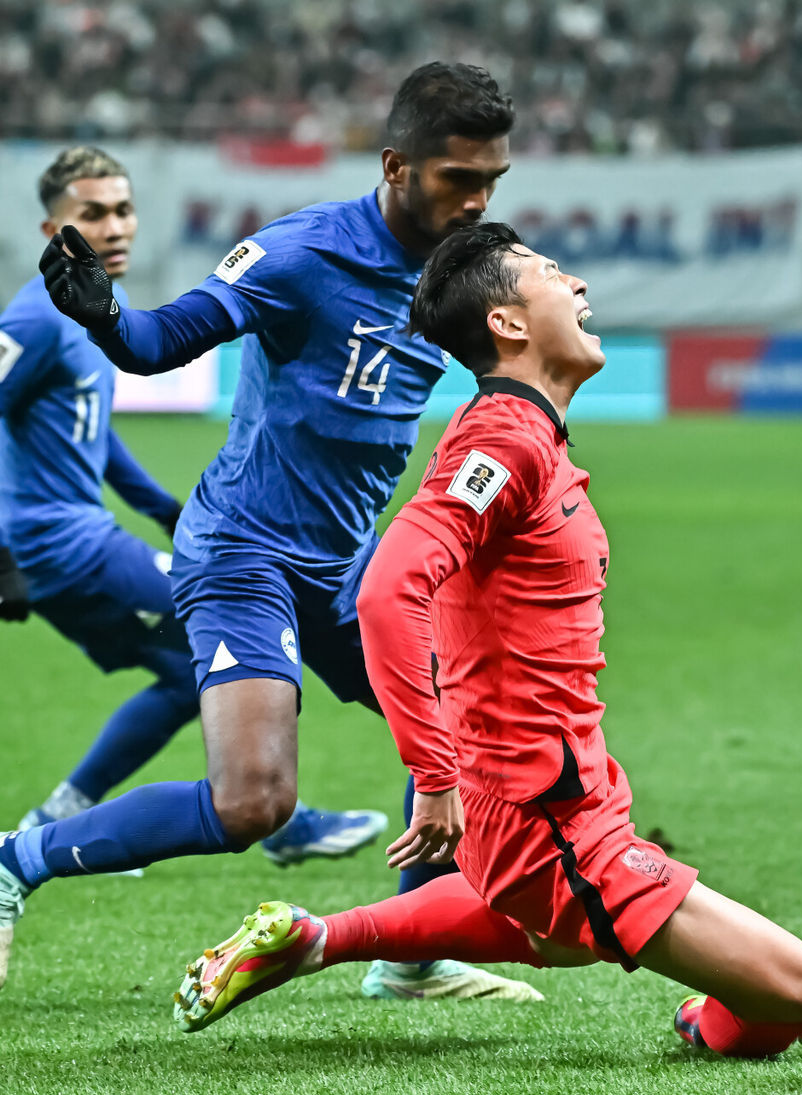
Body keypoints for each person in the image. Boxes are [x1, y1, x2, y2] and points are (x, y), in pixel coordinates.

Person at [170, 223, 802, 1062]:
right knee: (797, 989)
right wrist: (435, 773)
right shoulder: (505, 439)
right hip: (536, 802)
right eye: (553, 273)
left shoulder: (527, 434)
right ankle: (704, 1019)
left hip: (558, 786)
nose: (579, 283)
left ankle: (316, 939)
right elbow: (386, 589)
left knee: (556, 929)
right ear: (509, 324)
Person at [0, 67, 537, 1003]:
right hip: (244, 552)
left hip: (346, 562)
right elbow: (163, 341)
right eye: (459, 178)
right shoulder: (301, 253)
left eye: (492, 178)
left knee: (458, 727)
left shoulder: (466, 264)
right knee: (254, 804)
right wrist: (108, 318)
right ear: (396, 166)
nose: (478, 199)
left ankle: (408, 958)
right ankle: (16, 859)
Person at [0, 147, 382, 906]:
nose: (115, 226)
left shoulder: (88, 314)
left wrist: (164, 510)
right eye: (93, 213)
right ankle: (278, 819)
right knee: (248, 619)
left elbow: (92, 438)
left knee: (188, 672)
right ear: (53, 228)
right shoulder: (40, 315)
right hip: (55, 543)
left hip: (76, 536)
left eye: (124, 208)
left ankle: (57, 820)